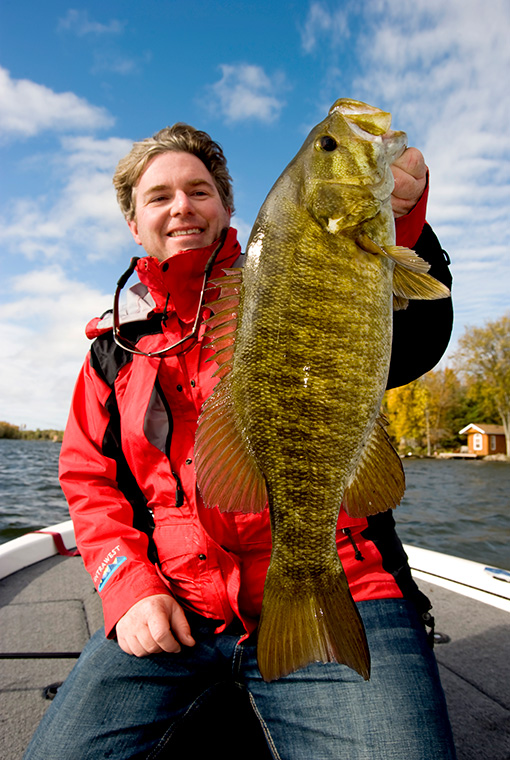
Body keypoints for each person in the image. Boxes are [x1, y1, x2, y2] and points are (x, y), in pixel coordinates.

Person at [25, 123, 456, 759]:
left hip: (344, 583)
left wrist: (404, 223)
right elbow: (89, 481)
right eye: (159, 196)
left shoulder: (289, 273)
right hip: (178, 609)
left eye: (199, 190)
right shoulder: (111, 353)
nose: (181, 207)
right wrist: (129, 588)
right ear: (133, 220)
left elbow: (413, 340)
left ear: (227, 206)